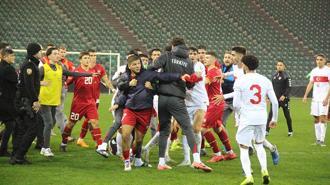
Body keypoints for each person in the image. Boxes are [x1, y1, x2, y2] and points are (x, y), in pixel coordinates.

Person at [148, 37, 212, 172]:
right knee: (188, 128)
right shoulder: (189, 62)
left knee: (164, 130)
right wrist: (188, 79)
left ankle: (161, 162)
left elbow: (150, 69)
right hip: (177, 99)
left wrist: (163, 78)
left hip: (162, 98)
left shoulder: (166, 56)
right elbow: (189, 85)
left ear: (172, 46)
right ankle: (196, 160)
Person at [116, 55, 185, 171]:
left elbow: (162, 76)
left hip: (145, 111)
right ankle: (127, 162)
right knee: (125, 134)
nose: (137, 66)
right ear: (129, 66)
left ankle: (136, 157)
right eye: (134, 64)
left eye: (138, 63)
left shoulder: (148, 74)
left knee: (138, 140)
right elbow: (119, 86)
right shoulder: (126, 76)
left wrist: (178, 76)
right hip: (130, 110)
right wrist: (129, 84)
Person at [38, 48, 94, 157]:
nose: (57, 55)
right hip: (44, 99)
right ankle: (45, 148)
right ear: (48, 56)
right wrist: (40, 83)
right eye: (54, 54)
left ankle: (42, 144)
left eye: (57, 54)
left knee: (51, 122)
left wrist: (88, 75)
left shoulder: (60, 67)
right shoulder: (43, 68)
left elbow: (72, 73)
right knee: (49, 123)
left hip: (54, 100)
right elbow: (33, 81)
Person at [233, 55, 278, 185]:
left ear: (245, 66)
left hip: (247, 117)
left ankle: (248, 176)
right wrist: (274, 118)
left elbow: (236, 104)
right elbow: (274, 102)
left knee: (243, 148)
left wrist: (241, 114)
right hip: (261, 117)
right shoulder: (265, 80)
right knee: (259, 144)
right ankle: (264, 170)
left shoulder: (240, 81)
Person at [60, 52, 106, 157]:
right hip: (78, 103)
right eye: (85, 58)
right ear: (80, 60)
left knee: (95, 123)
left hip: (90, 103)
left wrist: (95, 100)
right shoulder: (76, 72)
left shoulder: (93, 71)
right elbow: (67, 83)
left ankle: (100, 147)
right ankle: (64, 141)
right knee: (71, 124)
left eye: (88, 58)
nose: (87, 60)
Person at [201, 52, 236, 163]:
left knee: (203, 128)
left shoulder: (212, 71)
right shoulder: (214, 70)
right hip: (214, 103)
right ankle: (230, 152)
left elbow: (203, 83)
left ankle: (217, 154)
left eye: (207, 57)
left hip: (214, 104)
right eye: (204, 57)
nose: (204, 59)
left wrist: (190, 79)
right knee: (217, 127)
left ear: (213, 59)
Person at [10, 43, 43, 164]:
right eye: (40, 51)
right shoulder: (30, 65)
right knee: (34, 127)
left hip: (21, 100)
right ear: (35, 52)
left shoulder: (29, 63)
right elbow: (29, 86)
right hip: (26, 101)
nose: (42, 52)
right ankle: (19, 155)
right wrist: (35, 100)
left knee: (21, 128)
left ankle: (15, 155)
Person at [77, 49, 115, 148]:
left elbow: (106, 79)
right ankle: (95, 141)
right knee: (89, 120)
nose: (93, 57)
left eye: (95, 55)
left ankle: (82, 139)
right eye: (91, 55)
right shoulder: (84, 69)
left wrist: (112, 89)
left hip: (95, 98)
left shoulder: (100, 68)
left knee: (89, 120)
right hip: (83, 99)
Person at [178, 47, 208, 166]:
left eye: (194, 54)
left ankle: (198, 158)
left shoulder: (199, 65)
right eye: (189, 54)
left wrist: (186, 79)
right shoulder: (182, 66)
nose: (192, 56)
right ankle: (186, 159)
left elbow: (198, 76)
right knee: (186, 130)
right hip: (186, 102)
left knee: (196, 129)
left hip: (200, 101)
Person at [303, 54, 330, 146]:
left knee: (322, 119)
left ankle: (322, 140)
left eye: (321, 59)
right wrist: (305, 95)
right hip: (315, 99)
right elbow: (310, 83)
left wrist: (327, 98)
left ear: (324, 60)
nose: (318, 61)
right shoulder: (314, 71)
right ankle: (317, 140)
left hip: (324, 99)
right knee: (316, 119)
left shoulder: (328, 71)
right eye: (317, 59)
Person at [267, 60, 293, 136]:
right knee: (270, 115)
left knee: (287, 116)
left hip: (284, 100)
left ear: (284, 67)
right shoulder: (274, 76)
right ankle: (266, 131)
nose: (279, 66)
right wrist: (268, 97)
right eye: (278, 65)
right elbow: (271, 88)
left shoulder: (287, 76)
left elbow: (289, 87)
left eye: (281, 65)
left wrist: (284, 95)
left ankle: (290, 131)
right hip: (275, 100)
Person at [0, 47, 17, 157]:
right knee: (11, 125)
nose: (14, 57)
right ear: (5, 57)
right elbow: (17, 83)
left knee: (10, 124)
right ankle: (3, 149)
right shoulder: (8, 69)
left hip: (3, 99)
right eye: (12, 55)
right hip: (7, 101)